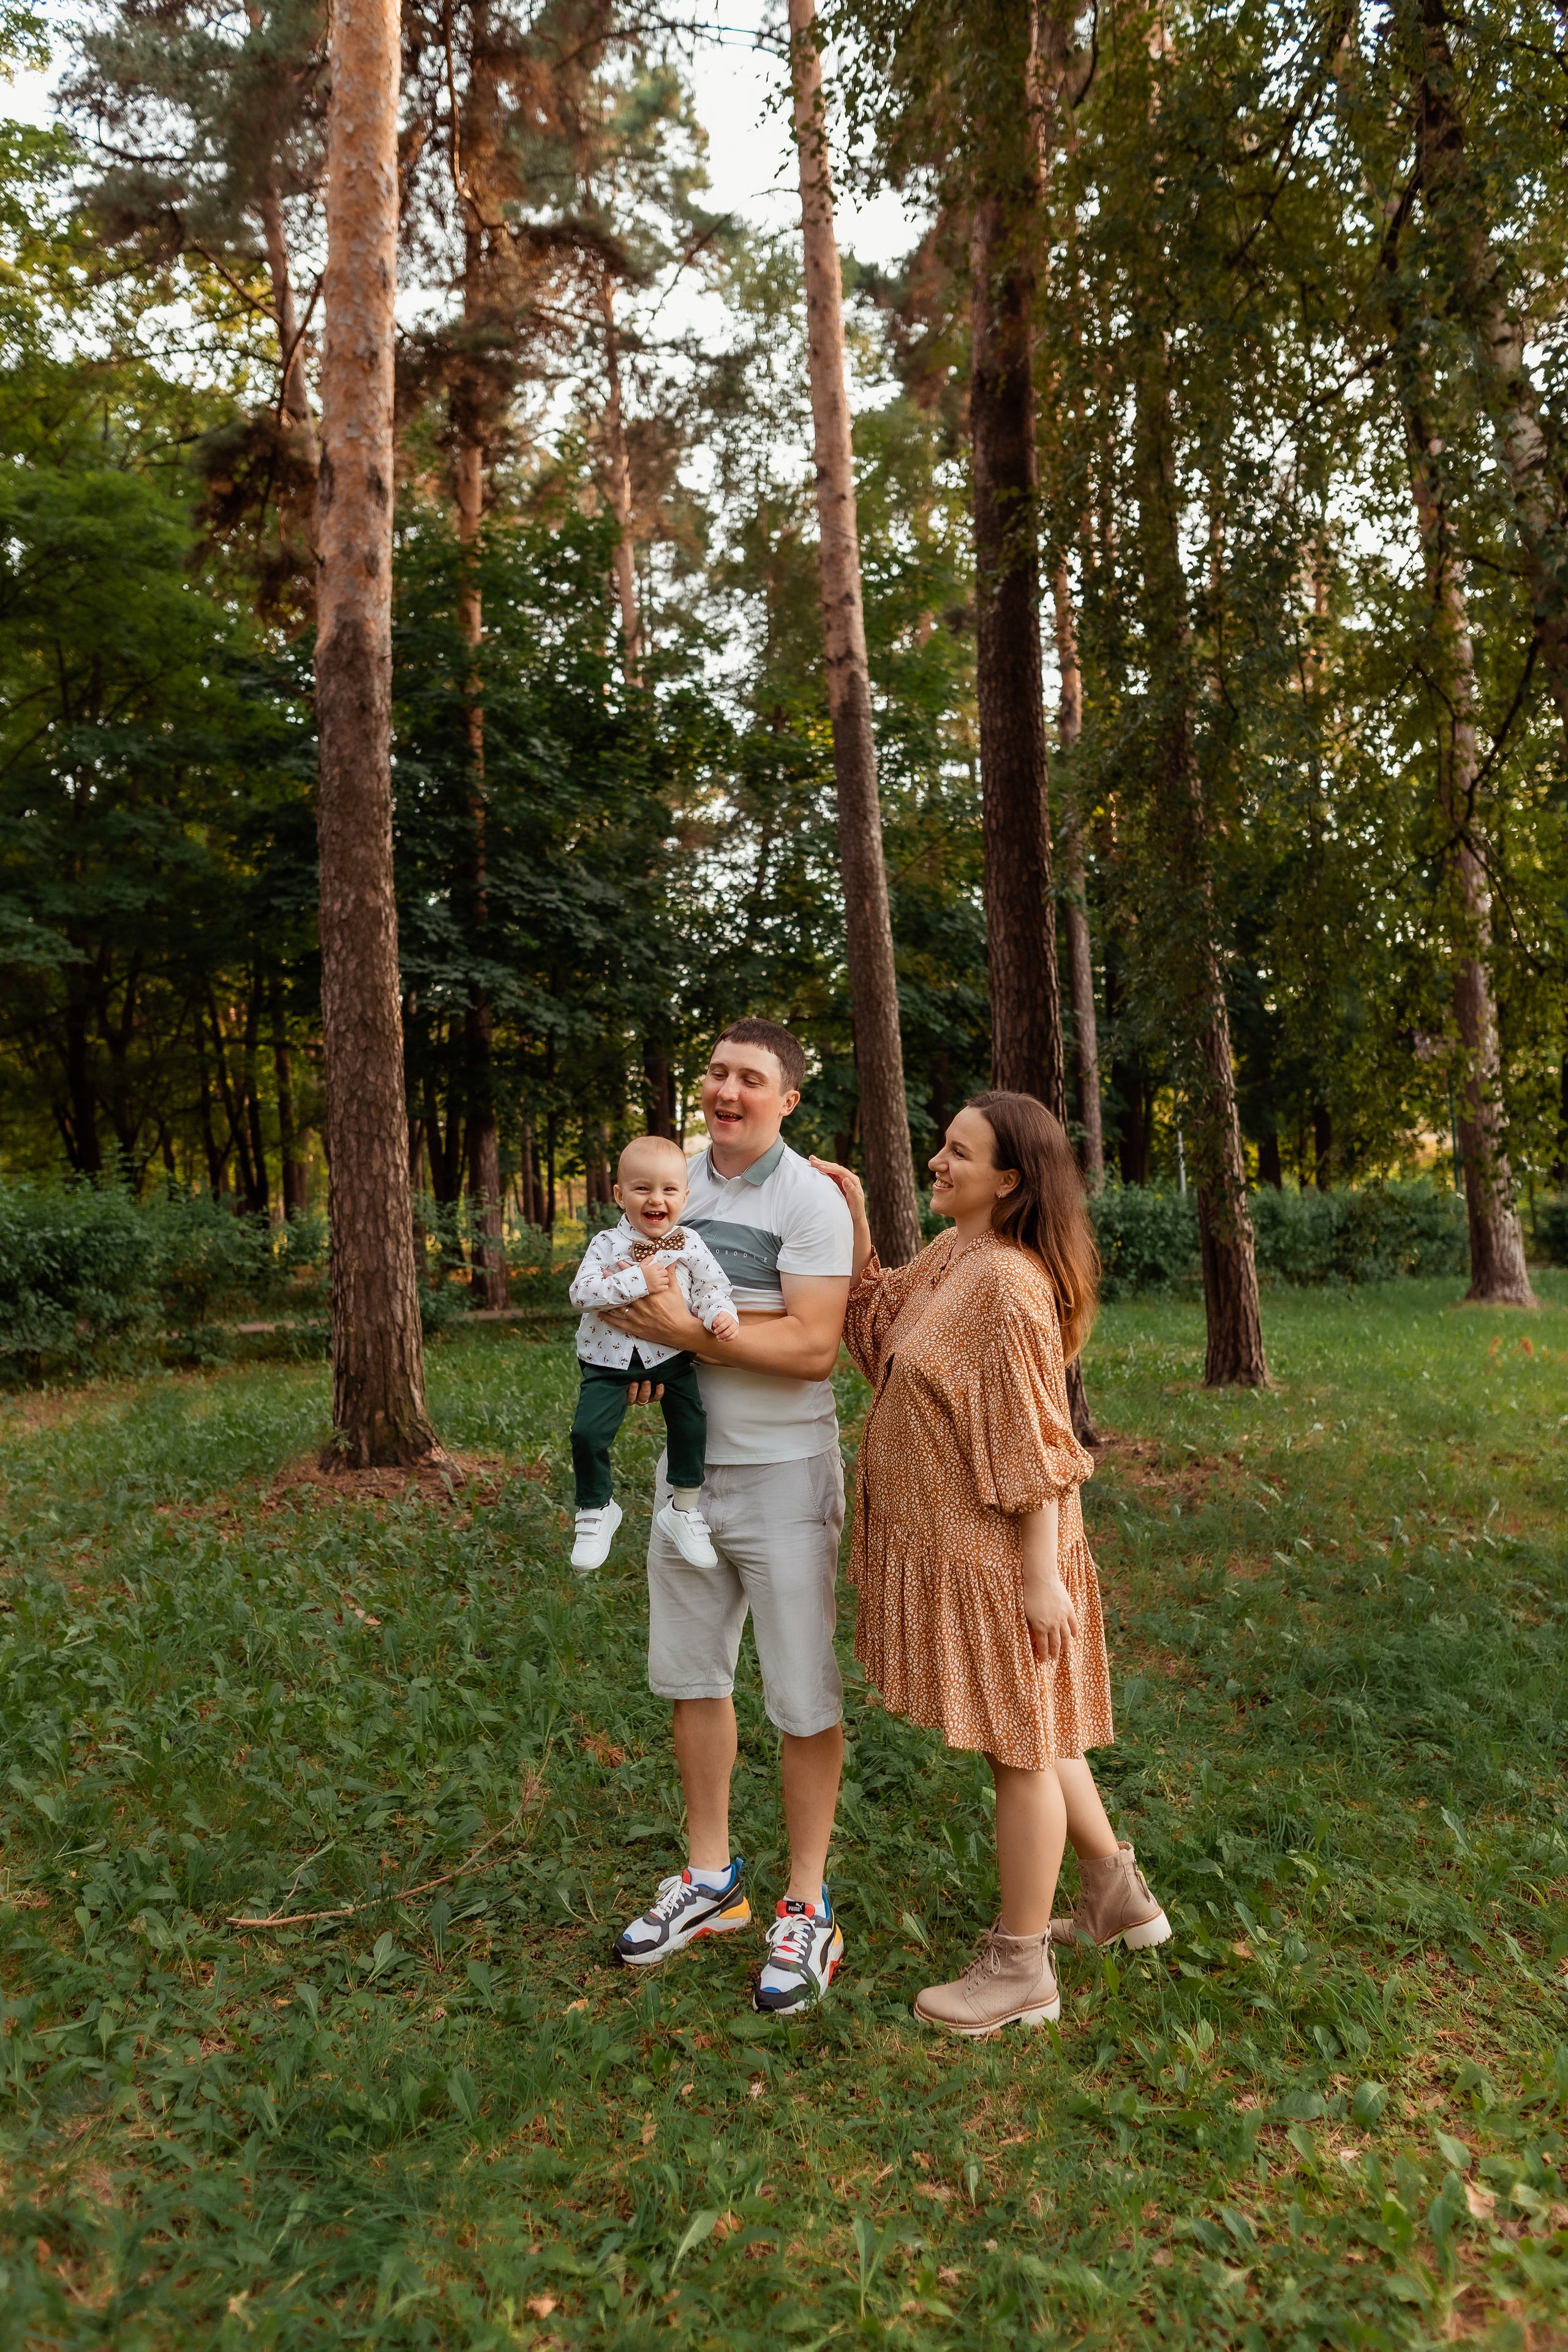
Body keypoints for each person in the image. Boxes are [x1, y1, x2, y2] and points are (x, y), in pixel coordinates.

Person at [815, 1091, 1169, 2037]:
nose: (937, 1160)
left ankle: (1022, 1973)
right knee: (1040, 1730)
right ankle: (1116, 1896)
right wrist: (854, 1217)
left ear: (1007, 1181)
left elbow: (1041, 1446)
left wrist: (1041, 1578)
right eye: (941, 1146)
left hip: (1001, 1557)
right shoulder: (957, 1254)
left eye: (957, 1153)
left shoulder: (1007, 1285)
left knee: (1022, 1749)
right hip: (964, 1547)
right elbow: (877, 1326)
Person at [592, 1020, 854, 2015]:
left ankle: (805, 1903)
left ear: (788, 1098)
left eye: (751, 1078)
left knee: (802, 1696)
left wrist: (685, 1336)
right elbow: (622, 1294)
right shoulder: (675, 1178)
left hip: (789, 1478)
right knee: (693, 1677)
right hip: (690, 1477)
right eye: (716, 1073)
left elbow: (814, 1347)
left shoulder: (812, 1200)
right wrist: (656, 1359)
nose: (726, 1091)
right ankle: (710, 1885)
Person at [566, 1134, 739, 1575]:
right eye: (642, 1189)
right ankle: (596, 1509)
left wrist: (721, 1314)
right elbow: (581, 1293)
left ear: (684, 1196)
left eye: (668, 1189)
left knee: (691, 1422)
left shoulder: (690, 1245)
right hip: (607, 1361)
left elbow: (712, 1288)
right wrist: (639, 1281)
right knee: (587, 1432)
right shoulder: (605, 1245)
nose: (655, 1199)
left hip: (672, 1357)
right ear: (620, 1195)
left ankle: (683, 1509)